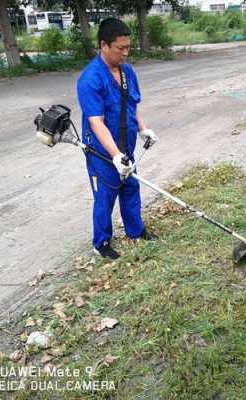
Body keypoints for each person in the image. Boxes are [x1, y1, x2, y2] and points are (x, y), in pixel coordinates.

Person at [77, 18, 158, 260]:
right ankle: (101, 243)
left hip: (126, 144)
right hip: (102, 150)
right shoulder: (90, 79)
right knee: (106, 194)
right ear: (104, 45)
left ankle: (136, 230)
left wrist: (143, 129)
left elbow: (132, 104)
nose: (125, 53)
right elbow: (96, 122)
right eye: (119, 48)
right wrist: (115, 156)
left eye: (127, 47)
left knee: (130, 186)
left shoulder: (127, 71)